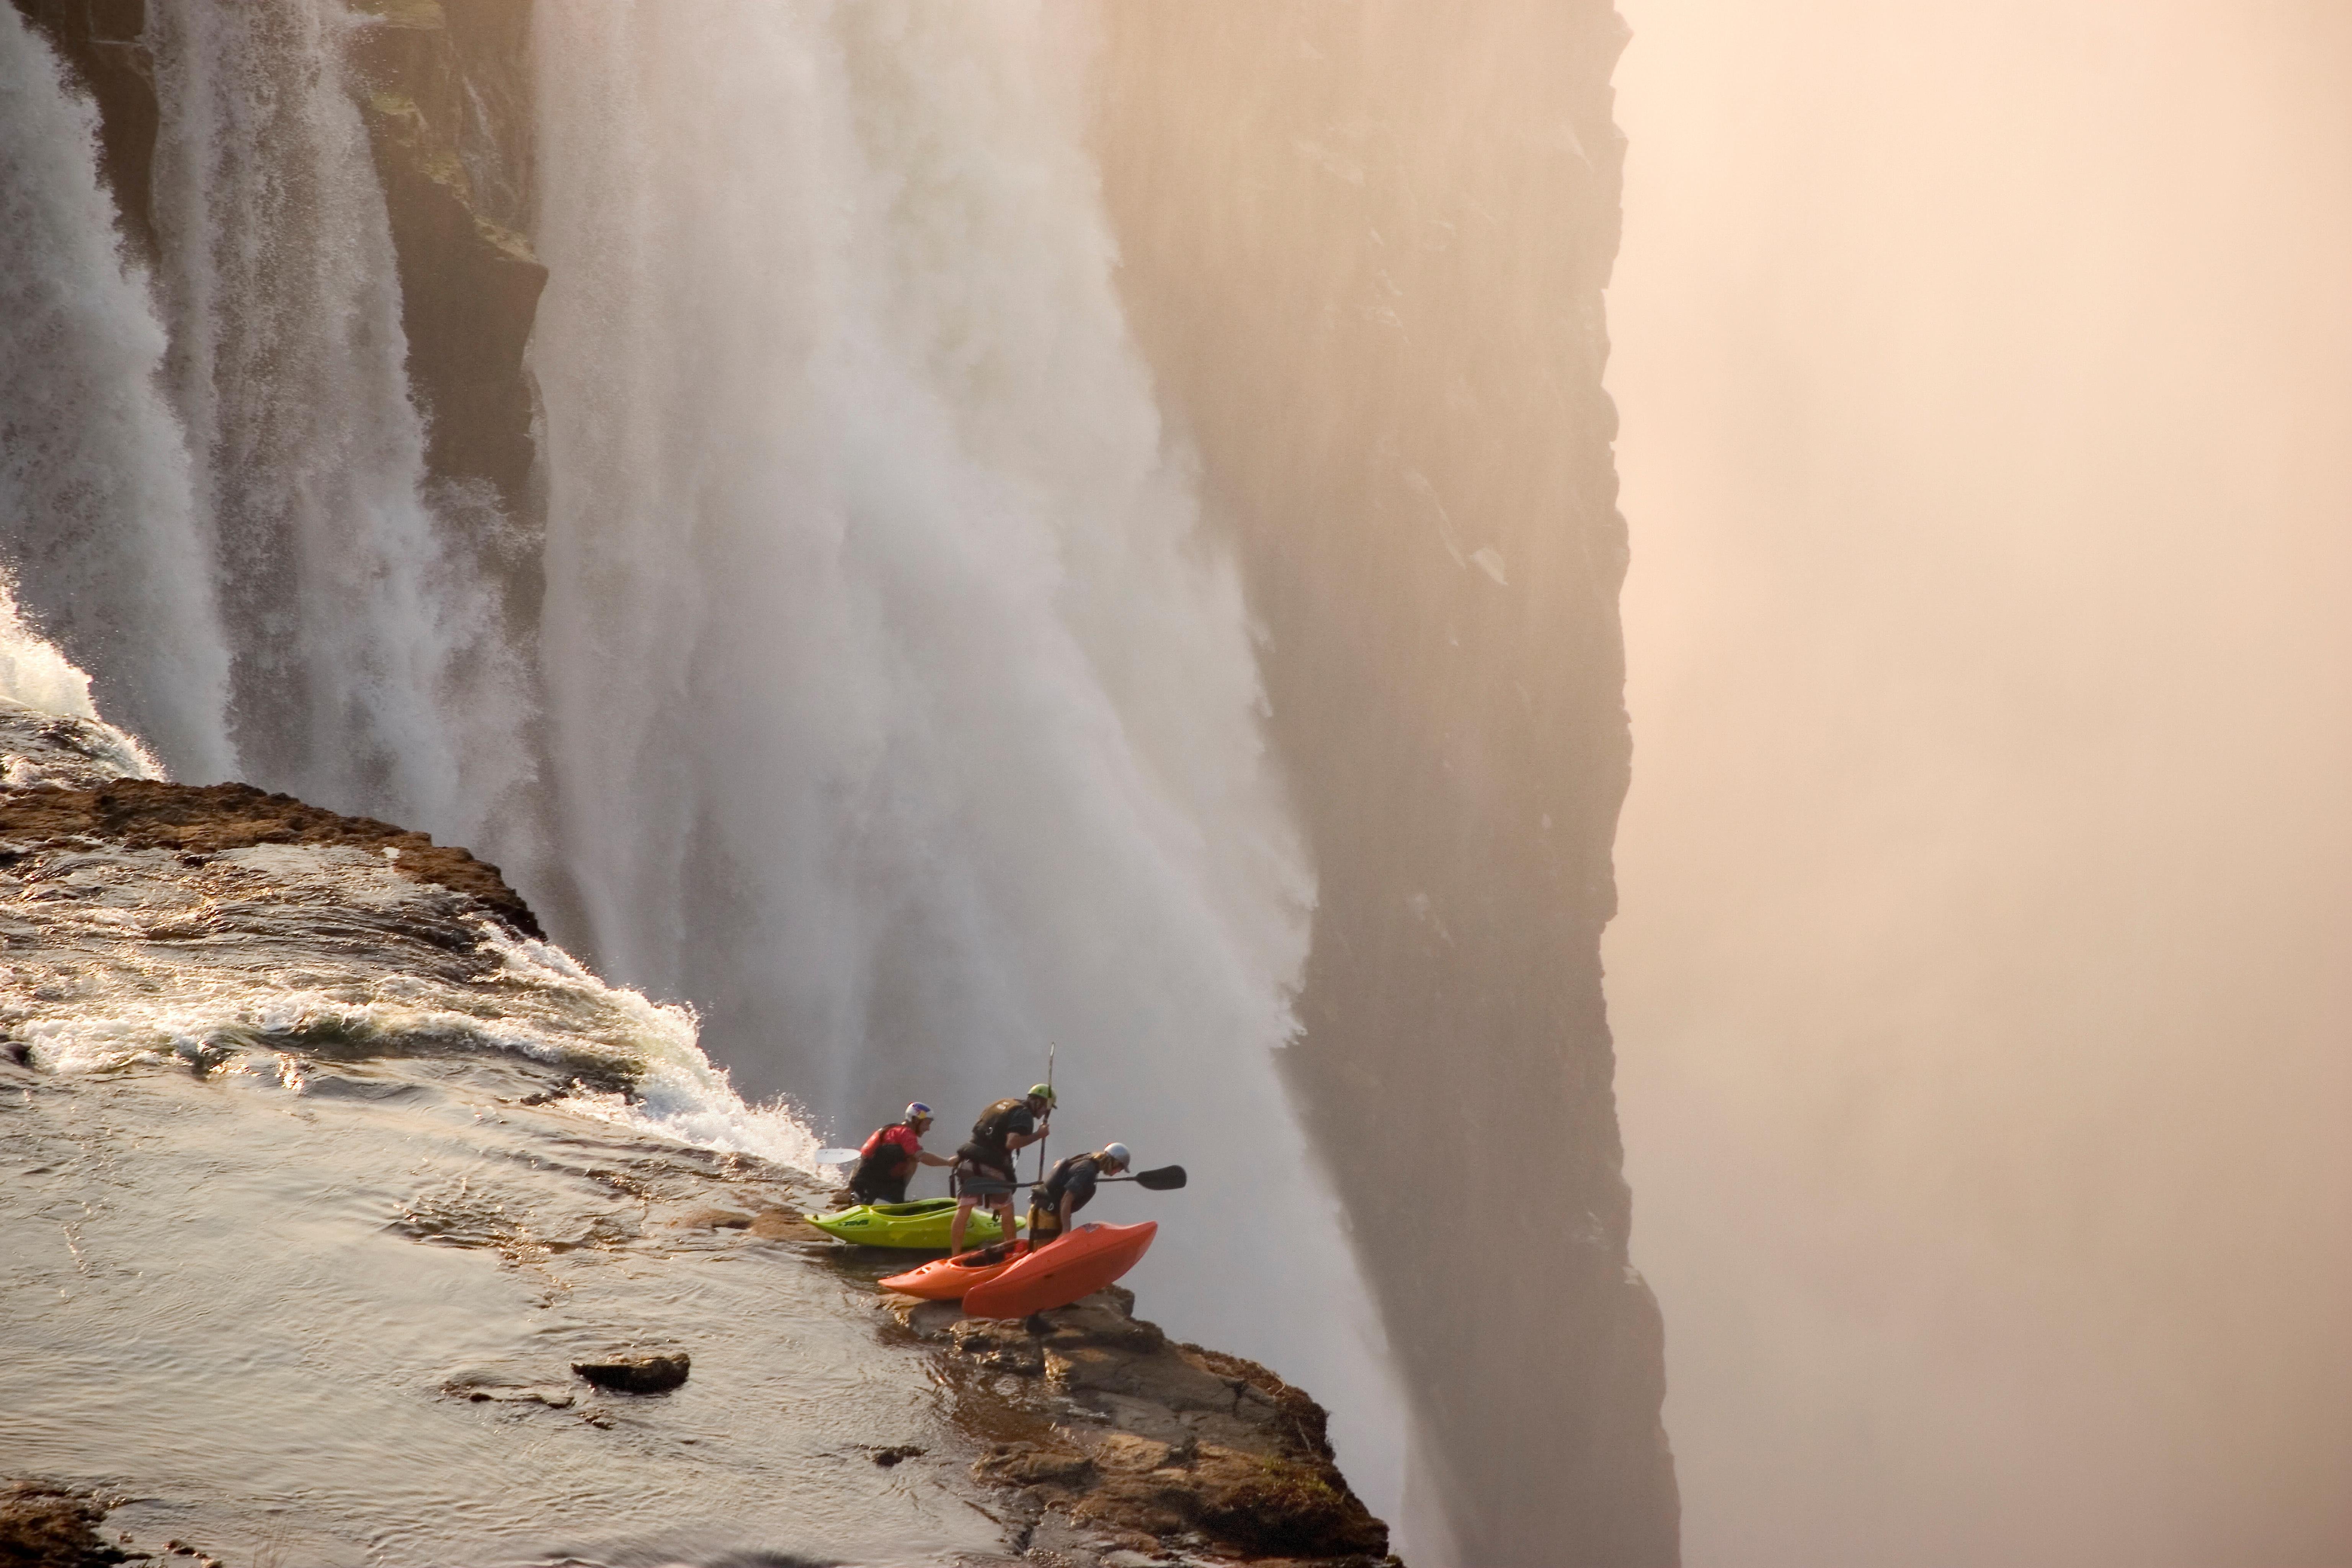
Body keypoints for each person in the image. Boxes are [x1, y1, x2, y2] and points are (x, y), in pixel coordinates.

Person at [949, 1083, 1055, 1253]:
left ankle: (954, 1255)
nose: (1045, 1113)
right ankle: (1011, 1253)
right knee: (1006, 1209)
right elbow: (1012, 1143)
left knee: (964, 1209)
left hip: (968, 1161)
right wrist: (1038, 1135)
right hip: (991, 1166)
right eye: (1046, 1108)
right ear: (1038, 1103)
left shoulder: (1004, 1104)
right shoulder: (1024, 1115)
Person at [1029, 1142, 1130, 1250]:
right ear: (1114, 1162)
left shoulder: (1087, 1161)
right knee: (1043, 1253)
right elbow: (1066, 1199)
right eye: (1120, 1168)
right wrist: (1066, 1231)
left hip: (1049, 1213)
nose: (1118, 1172)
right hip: (1046, 1216)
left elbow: (1059, 1165)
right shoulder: (1087, 1171)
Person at [847, 1102, 952, 1205]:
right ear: (915, 1120)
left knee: (911, 1160)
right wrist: (948, 1162)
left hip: (867, 1180)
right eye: (927, 1124)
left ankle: (896, 1201)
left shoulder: (894, 1130)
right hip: (868, 1183)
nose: (928, 1129)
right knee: (914, 1159)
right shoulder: (905, 1133)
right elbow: (922, 1157)